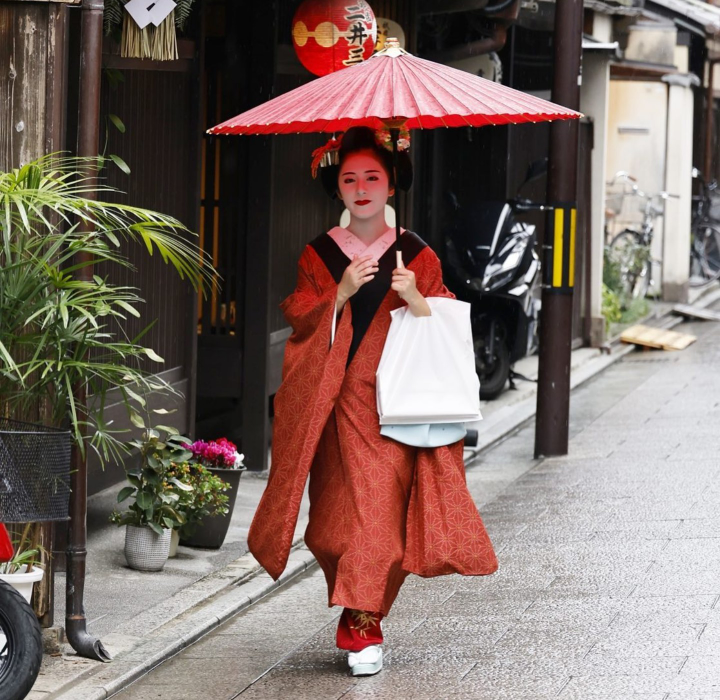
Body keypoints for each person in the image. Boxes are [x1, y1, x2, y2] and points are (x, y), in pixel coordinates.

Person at [248, 126, 497, 677]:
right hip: (335, 399)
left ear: (391, 185)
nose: (361, 188)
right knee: (336, 519)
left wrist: (414, 297)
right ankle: (361, 610)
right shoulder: (319, 254)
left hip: (393, 403)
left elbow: (446, 326)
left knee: (378, 515)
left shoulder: (417, 253)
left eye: (373, 178)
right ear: (337, 189)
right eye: (349, 179)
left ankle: (362, 622)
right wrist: (338, 294)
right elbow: (301, 316)